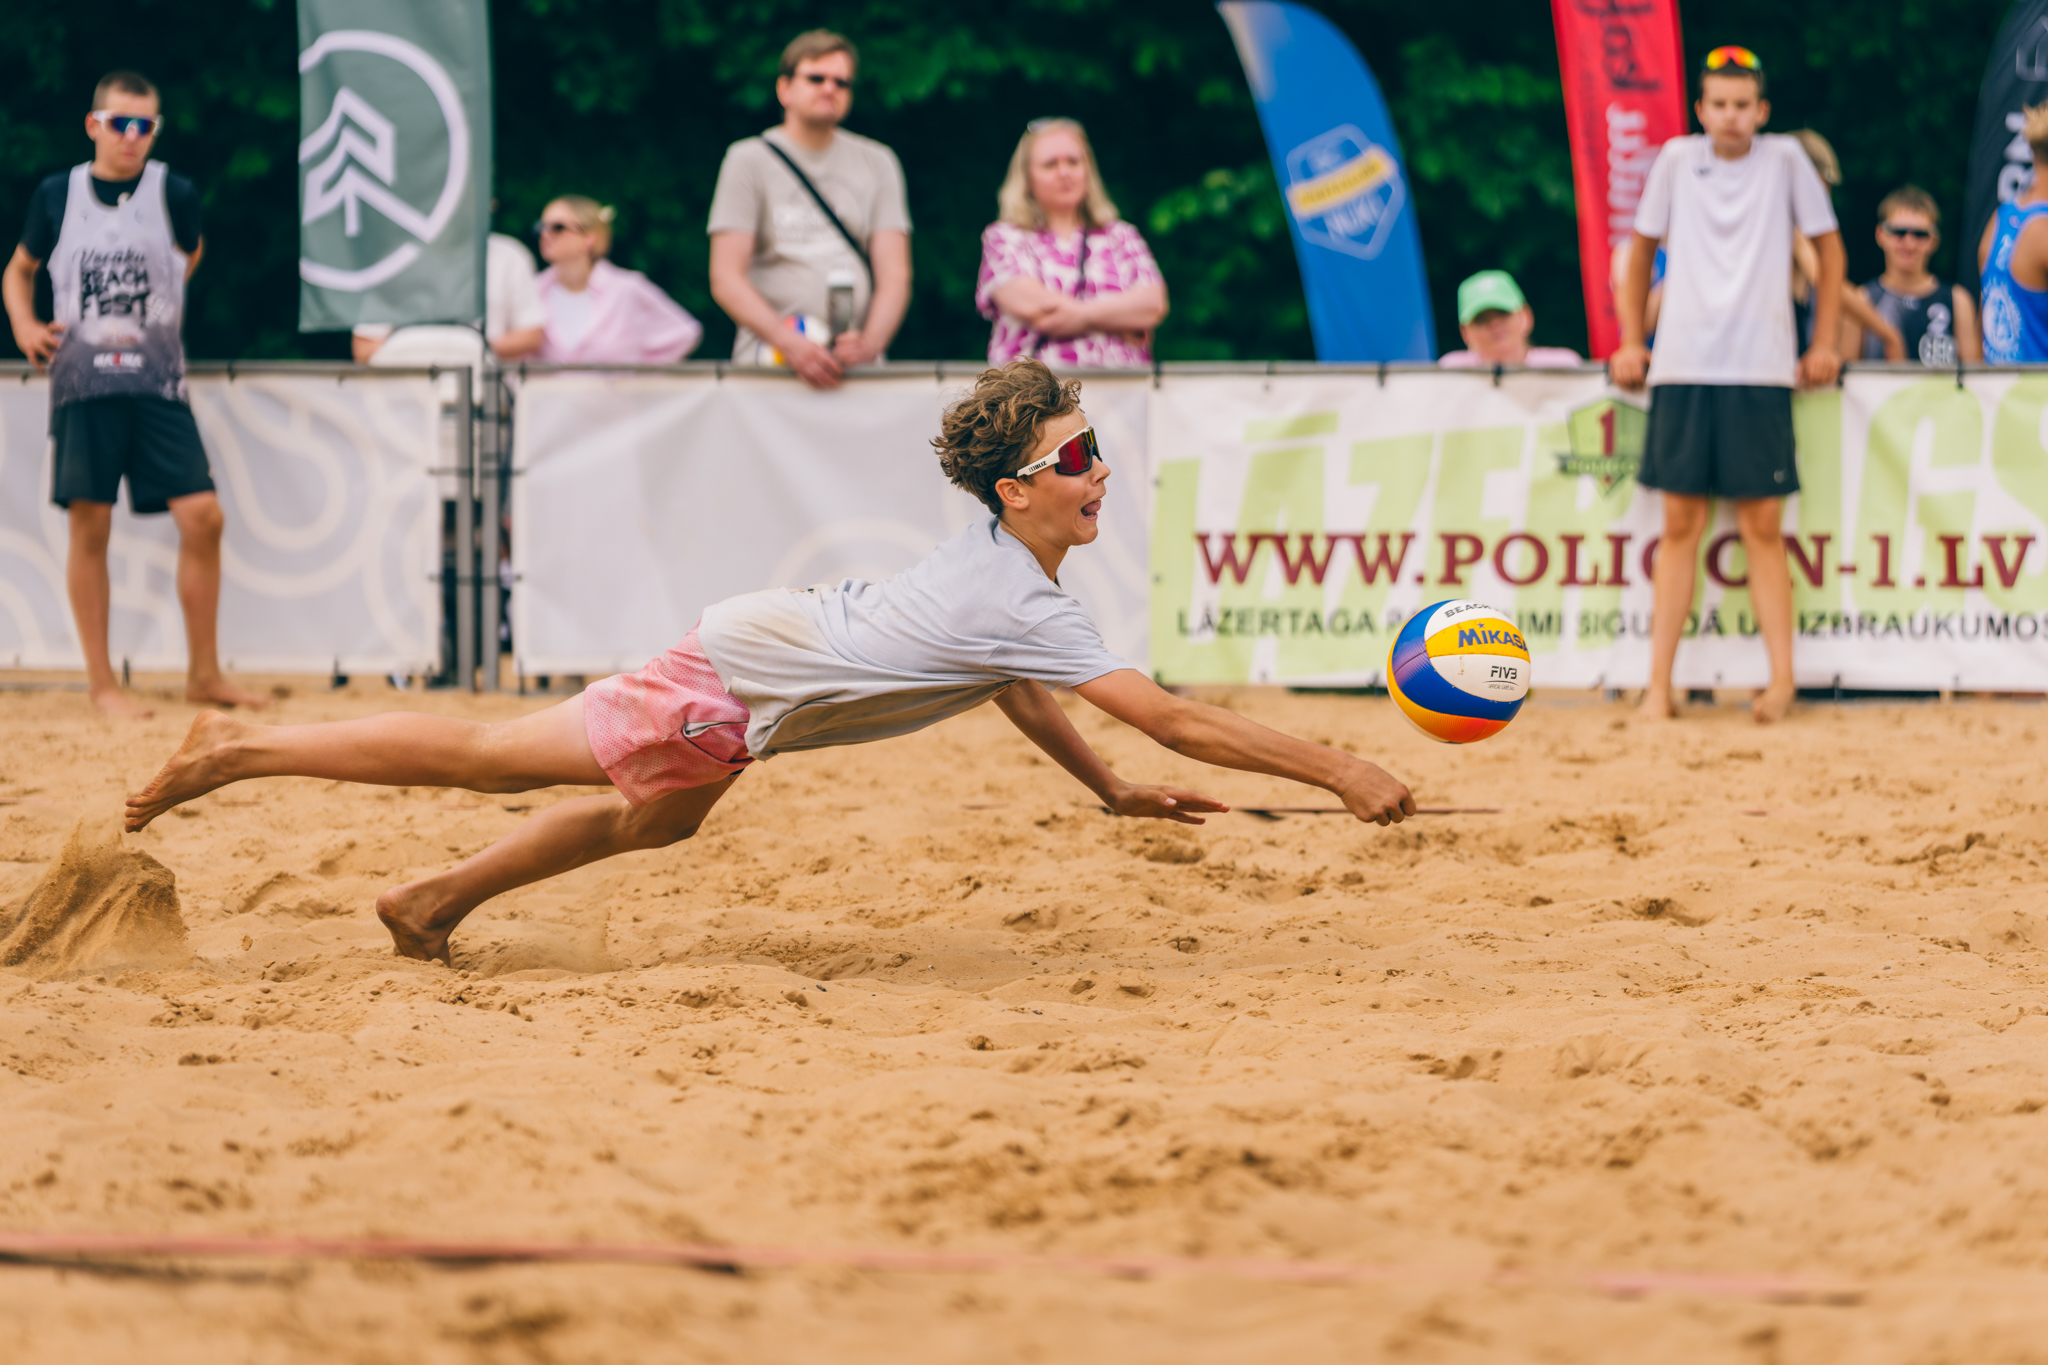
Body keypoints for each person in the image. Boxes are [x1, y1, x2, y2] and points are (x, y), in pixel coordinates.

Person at [124, 359, 1417, 963]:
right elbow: (1174, 719)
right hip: (738, 682)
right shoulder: (1021, 589)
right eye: (1074, 458)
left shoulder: (1014, 583)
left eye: (1094, 449)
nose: (1099, 472)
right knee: (487, 757)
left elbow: (1011, 685)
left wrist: (1108, 791)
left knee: (657, 822)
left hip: (760, 669)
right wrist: (1342, 769)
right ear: (1016, 491)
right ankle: (239, 748)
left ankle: (430, 903)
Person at [1, 70, 266, 719]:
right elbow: (19, 270)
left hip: (156, 383)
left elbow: (187, 258)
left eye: (145, 125)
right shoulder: (56, 194)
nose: (132, 136)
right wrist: (26, 326)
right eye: (120, 123)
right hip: (83, 384)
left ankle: (205, 675)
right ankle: (103, 686)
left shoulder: (175, 192)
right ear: (93, 125)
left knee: (203, 517)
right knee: (90, 525)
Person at [1609, 45, 1843, 726]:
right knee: (1678, 526)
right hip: (1682, 363)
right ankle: (1660, 686)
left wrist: (1824, 342)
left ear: (1762, 110)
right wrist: (1632, 339)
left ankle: (1782, 682)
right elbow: (1639, 250)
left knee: (1763, 528)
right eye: (1719, 103)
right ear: (1700, 108)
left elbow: (1829, 250)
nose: (1731, 115)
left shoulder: (1786, 159)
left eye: (1742, 104)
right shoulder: (1677, 158)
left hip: (1761, 364)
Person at [707, 30, 912, 390]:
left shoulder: (878, 161)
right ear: (784, 89)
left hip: (855, 368)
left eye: (842, 82)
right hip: (769, 361)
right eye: (816, 78)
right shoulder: (747, 159)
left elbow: (896, 274)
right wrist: (789, 344)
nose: (830, 88)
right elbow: (725, 276)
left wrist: (870, 344)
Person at [977, 118, 1168, 368]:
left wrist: (1076, 317)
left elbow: (1153, 305)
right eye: (1050, 164)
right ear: (1026, 177)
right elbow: (1032, 305)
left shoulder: (1120, 235)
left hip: (1123, 388)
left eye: (1073, 162)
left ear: (1088, 170)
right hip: (1036, 389)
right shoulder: (1004, 237)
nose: (1064, 172)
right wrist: (1122, 320)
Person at [535, 197, 700, 364]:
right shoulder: (533, 289)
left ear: (589, 237)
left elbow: (683, 334)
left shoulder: (626, 289)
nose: (545, 234)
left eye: (558, 227)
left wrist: (643, 374)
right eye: (541, 227)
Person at [1786, 130, 1904, 361]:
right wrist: (1888, 334)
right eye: (1824, 185)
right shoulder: (1789, 227)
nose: (1825, 198)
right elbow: (1828, 282)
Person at [351, 231, 548, 366]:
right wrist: (426, 352)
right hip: (406, 405)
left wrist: (468, 350)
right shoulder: (398, 259)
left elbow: (531, 335)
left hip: (489, 402)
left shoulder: (508, 256)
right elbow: (364, 347)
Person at [1841, 186, 1980, 367]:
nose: (1909, 243)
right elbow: (1847, 374)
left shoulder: (1957, 300)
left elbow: (1974, 376)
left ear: (1933, 240)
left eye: (1920, 234)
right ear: (1880, 234)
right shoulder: (1862, 299)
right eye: (1899, 233)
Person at [1979, 101, 2048, 366]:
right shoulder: (2043, 230)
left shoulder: (2001, 216)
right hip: (2038, 388)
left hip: (1998, 386)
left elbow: (1983, 318)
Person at [1437, 270, 1581, 368]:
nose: (1494, 324)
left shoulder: (1562, 367)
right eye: (1480, 319)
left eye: (1502, 313)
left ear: (1525, 317)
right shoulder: (1452, 372)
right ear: (1465, 332)